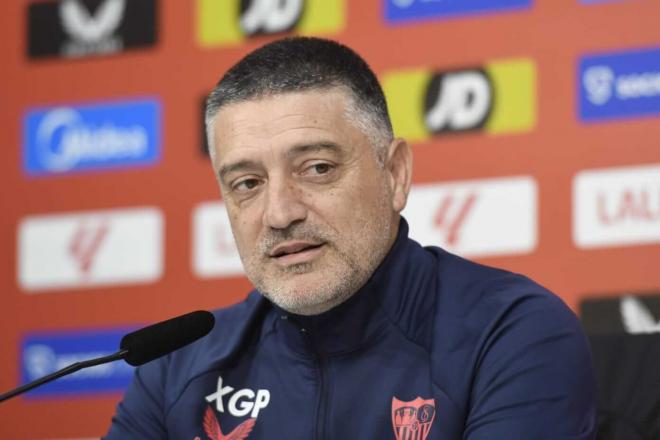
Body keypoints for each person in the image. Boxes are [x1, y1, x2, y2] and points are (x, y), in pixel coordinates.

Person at [105, 37, 596, 439]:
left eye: (317, 168)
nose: (279, 213)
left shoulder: (509, 333)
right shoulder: (176, 369)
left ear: (395, 174)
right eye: (248, 184)